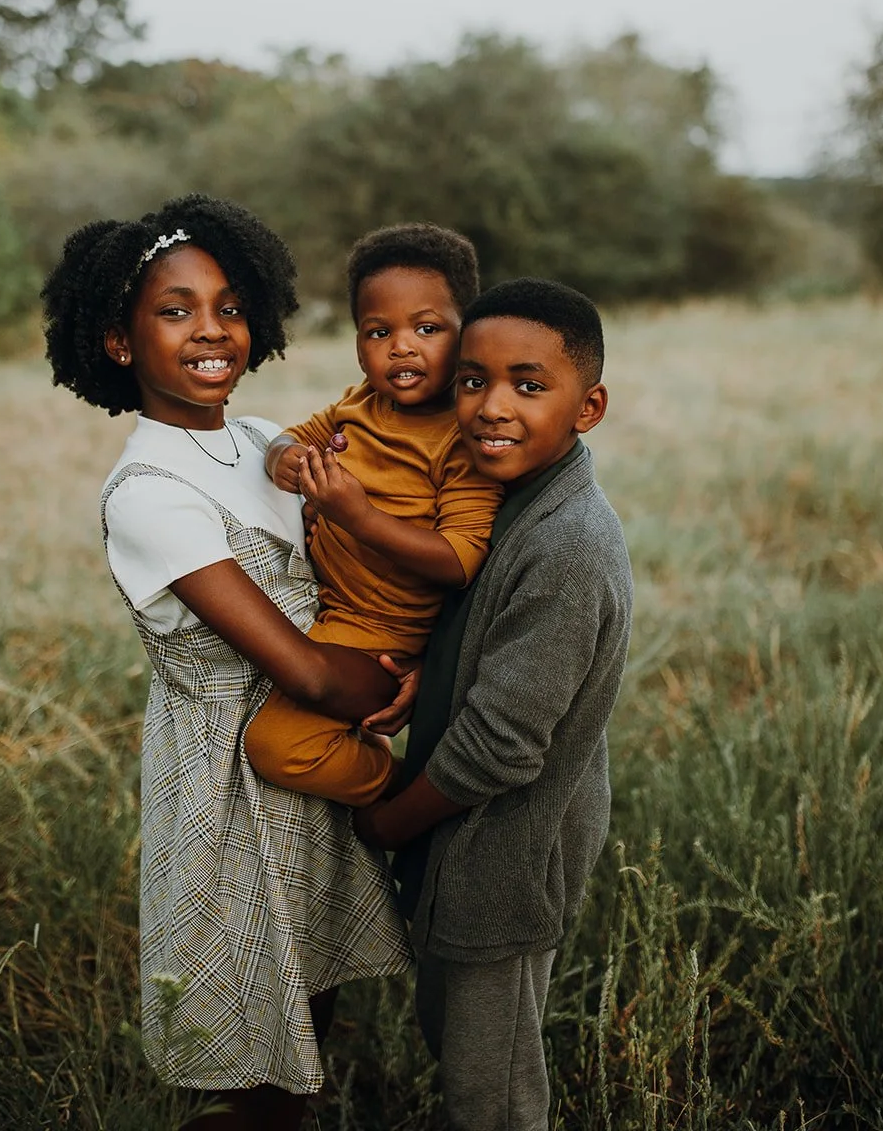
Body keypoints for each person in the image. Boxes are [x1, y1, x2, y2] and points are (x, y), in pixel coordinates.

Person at [41, 194, 411, 1131]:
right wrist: (402, 685)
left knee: (306, 1029)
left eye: (230, 306)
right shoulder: (149, 493)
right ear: (119, 342)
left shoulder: (259, 442)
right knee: (242, 1063)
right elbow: (311, 674)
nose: (212, 330)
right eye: (175, 310)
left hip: (308, 771)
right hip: (227, 785)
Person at [354, 278, 634, 1131]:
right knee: (453, 1038)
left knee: (494, 1092)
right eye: (471, 381)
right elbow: (482, 638)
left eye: (527, 384)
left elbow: (501, 745)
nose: (490, 407)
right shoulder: (501, 502)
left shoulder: (569, 546)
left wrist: (386, 826)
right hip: (461, 839)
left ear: (587, 408)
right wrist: (426, 673)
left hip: (506, 852)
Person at [247, 222, 502, 804]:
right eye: (378, 331)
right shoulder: (362, 402)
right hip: (329, 600)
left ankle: (403, 792)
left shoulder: (461, 440)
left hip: (379, 631)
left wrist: (357, 518)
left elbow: (461, 558)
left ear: (469, 334)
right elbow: (292, 436)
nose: (402, 346)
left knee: (276, 745)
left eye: (428, 328)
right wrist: (286, 459)